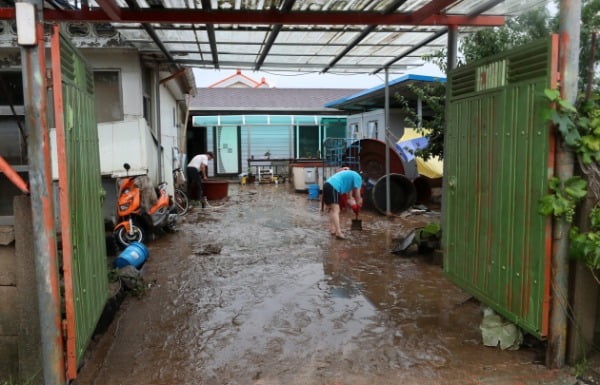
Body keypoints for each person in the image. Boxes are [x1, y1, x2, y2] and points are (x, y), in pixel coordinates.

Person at [323, 169, 363, 239]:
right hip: (333, 186)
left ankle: (332, 229)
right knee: (336, 210)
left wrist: (352, 201)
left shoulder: (351, 176)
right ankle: (338, 232)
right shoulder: (358, 177)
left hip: (327, 185)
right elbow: (357, 193)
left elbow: (349, 197)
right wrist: (359, 201)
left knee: (332, 210)